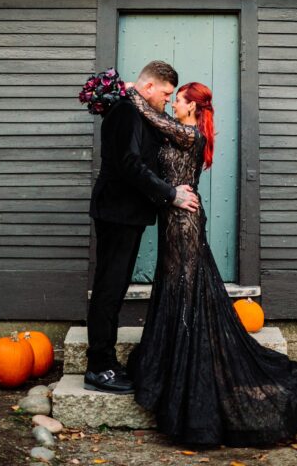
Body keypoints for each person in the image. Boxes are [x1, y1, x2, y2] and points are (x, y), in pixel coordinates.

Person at [125, 81, 297, 447]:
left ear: (192, 108)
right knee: (176, 289)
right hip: (172, 221)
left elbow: (151, 116)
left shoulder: (190, 135)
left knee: (186, 291)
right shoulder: (180, 132)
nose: (173, 104)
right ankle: (171, 363)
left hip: (184, 223)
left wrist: (132, 92)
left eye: (178, 100)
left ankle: (189, 377)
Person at [85, 60, 199, 394]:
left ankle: (105, 362)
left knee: (116, 287)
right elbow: (129, 165)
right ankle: (98, 367)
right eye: (165, 93)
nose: (167, 99)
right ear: (149, 87)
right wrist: (171, 195)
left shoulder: (138, 110)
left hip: (128, 215)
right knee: (109, 289)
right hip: (116, 214)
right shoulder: (125, 112)